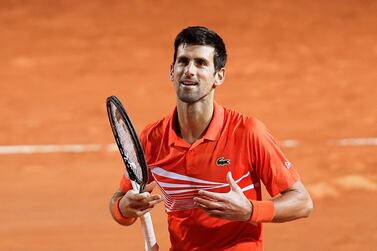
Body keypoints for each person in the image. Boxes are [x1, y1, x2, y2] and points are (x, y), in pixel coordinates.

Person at [109, 26, 313, 251]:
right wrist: (124, 208)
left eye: (201, 63)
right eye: (183, 61)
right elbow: (119, 204)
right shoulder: (152, 139)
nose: (189, 70)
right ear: (171, 71)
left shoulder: (247, 132)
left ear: (219, 76)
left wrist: (250, 211)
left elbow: (302, 202)